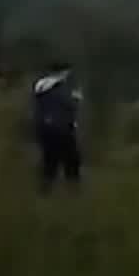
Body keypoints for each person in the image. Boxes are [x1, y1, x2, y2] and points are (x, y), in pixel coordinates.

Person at [31, 60, 83, 195]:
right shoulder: (62, 88)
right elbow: (70, 105)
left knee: (50, 160)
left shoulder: (41, 86)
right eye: (67, 72)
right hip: (61, 128)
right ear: (62, 72)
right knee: (72, 159)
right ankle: (72, 191)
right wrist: (76, 98)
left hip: (44, 127)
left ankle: (44, 190)